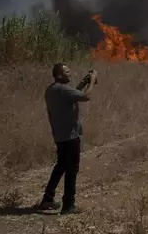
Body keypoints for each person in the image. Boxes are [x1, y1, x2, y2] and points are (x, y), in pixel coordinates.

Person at [36, 63, 98, 214]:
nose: (70, 74)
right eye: (67, 72)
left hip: (60, 135)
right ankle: (68, 205)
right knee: (72, 169)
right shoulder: (62, 89)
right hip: (70, 136)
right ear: (58, 75)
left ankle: (47, 199)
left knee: (61, 166)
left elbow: (72, 96)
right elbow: (86, 97)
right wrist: (92, 81)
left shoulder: (52, 89)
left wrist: (82, 83)